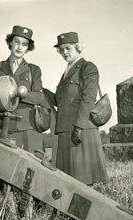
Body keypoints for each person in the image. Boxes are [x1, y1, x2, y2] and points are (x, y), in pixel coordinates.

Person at [44, 32, 108, 185]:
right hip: (67, 130)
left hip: (81, 130)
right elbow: (62, 102)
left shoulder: (87, 67)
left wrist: (78, 127)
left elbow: (88, 99)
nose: (64, 52)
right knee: (70, 181)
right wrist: (43, 91)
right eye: (61, 50)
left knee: (83, 181)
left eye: (68, 48)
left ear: (78, 47)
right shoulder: (68, 70)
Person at [0, 25, 44, 153]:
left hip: (27, 127)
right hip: (2, 126)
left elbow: (39, 97)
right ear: (10, 42)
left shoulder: (34, 70)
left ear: (28, 48)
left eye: (24, 44)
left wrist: (16, 93)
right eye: (17, 42)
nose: (20, 47)